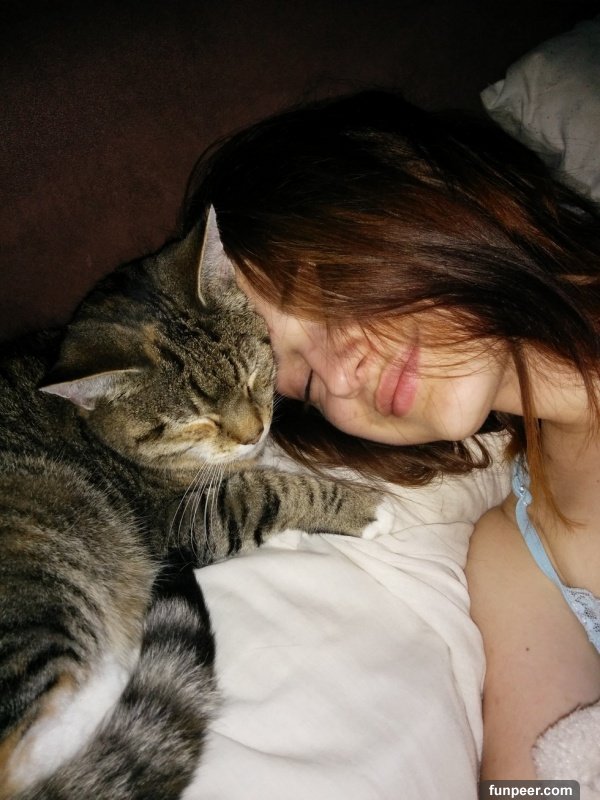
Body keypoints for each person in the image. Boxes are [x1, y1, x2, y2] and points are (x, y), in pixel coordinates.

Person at [184, 90, 600, 778]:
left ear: (416, 180)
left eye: (329, 291)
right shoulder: (517, 556)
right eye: (303, 383)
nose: (338, 377)